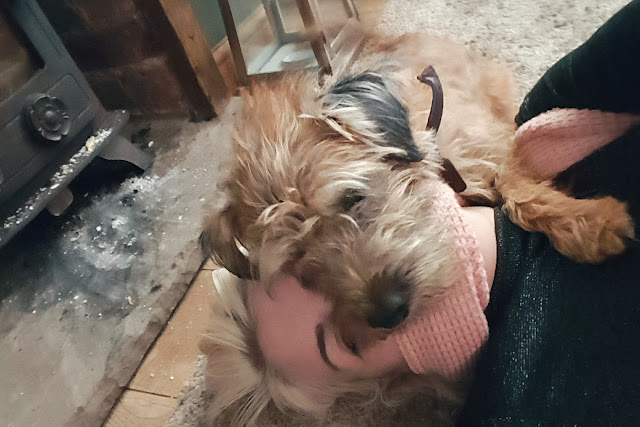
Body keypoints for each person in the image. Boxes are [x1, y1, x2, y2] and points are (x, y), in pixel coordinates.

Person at [201, 1, 640, 424]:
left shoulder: (547, 107)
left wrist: (543, 209)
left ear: (384, 139)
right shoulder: (524, 396)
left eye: (355, 203)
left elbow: (501, 155)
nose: (376, 295)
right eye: (308, 266)